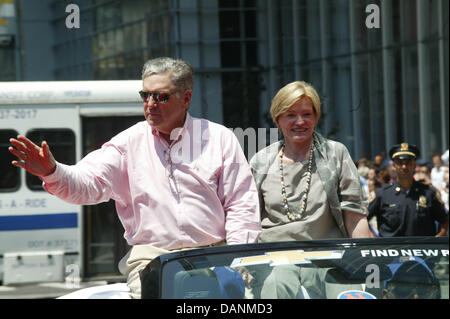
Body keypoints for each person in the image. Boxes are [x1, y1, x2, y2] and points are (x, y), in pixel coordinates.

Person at [8, 57, 261, 299]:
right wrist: (52, 171)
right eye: (145, 95)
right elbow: (87, 183)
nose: (151, 103)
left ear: (186, 99)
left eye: (161, 96)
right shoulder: (128, 143)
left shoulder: (219, 138)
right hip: (152, 258)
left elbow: (241, 204)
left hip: (215, 253)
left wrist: (236, 259)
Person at [249, 81, 371, 298]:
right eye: (290, 115)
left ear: (316, 117)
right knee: (277, 285)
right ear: (277, 119)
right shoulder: (261, 161)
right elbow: (247, 219)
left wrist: (368, 261)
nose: (300, 121)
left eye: (307, 114)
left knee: (350, 292)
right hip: (277, 260)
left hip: (331, 259)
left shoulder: (335, 154)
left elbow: (355, 217)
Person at [368, 143, 448, 237]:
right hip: (391, 249)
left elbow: (444, 221)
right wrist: (374, 242)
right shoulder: (382, 194)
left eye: (408, 162)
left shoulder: (429, 193)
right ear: (394, 165)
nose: (404, 167)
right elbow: (363, 220)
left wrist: (435, 241)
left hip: (421, 249)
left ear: (414, 165)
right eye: (400, 163)